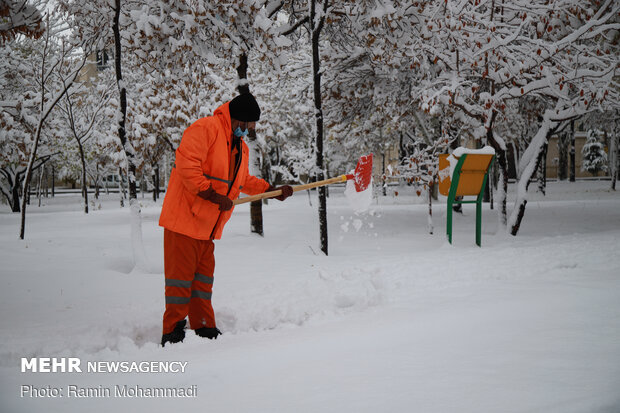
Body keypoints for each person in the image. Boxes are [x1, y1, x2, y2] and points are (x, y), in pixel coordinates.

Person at [158, 93, 293, 346]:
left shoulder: (238, 147)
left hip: (207, 229)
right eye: (246, 125)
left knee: (202, 282)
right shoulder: (206, 129)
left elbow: (242, 182)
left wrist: (271, 190)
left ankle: (203, 326)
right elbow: (187, 165)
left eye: (252, 127)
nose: (248, 131)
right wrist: (210, 194)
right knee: (179, 282)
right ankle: (173, 330)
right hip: (185, 222)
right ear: (236, 118)